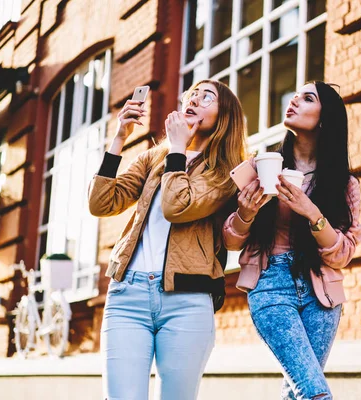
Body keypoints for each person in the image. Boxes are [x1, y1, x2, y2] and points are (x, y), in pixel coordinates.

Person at [89, 80, 246, 400]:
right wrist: (119, 138)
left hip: (187, 299)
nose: (194, 99)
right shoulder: (153, 158)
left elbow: (178, 206)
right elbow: (101, 203)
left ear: (224, 115)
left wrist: (178, 148)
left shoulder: (225, 172)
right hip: (127, 294)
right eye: (192, 94)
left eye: (207, 97)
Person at [222, 81, 361, 400]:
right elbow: (230, 241)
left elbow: (343, 255)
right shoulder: (261, 168)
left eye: (307, 98)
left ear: (325, 119)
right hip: (270, 283)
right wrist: (245, 212)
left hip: (322, 292)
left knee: (296, 390)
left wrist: (312, 212)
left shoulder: (344, 184)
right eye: (294, 94)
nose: (294, 99)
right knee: (313, 391)